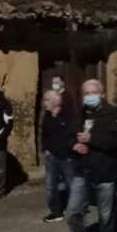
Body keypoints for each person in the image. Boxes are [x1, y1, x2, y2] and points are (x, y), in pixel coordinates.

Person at [64, 79, 117, 232]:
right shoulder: (79, 114)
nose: (90, 96)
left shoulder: (113, 113)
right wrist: (74, 145)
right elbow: (68, 135)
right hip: (82, 170)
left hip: (105, 171)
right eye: (86, 93)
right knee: (73, 213)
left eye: (93, 92)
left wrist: (92, 139)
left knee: (105, 216)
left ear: (102, 94)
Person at [41, 90, 76, 223]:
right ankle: (56, 212)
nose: (44, 103)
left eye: (47, 100)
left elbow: (72, 135)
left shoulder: (68, 116)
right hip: (51, 156)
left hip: (67, 157)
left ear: (55, 102)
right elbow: (44, 134)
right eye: (44, 100)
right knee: (50, 185)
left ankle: (75, 209)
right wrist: (46, 149)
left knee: (71, 184)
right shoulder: (47, 116)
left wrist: (70, 152)